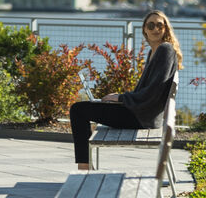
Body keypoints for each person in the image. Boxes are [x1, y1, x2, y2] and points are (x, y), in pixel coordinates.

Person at [70, 10, 181, 169]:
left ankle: (84, 166)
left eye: (159, 25)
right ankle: (85, 164)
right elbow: (149, 92)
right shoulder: (154, 52)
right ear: (145, 30)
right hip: (141, 113)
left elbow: (153, 92)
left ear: (166, 29)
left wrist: (121, 98)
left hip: (141, 118)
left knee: (78, 110)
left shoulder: (165, 50)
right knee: (84, 108)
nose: (155, 29)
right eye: (151, 25)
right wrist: (120, 98)